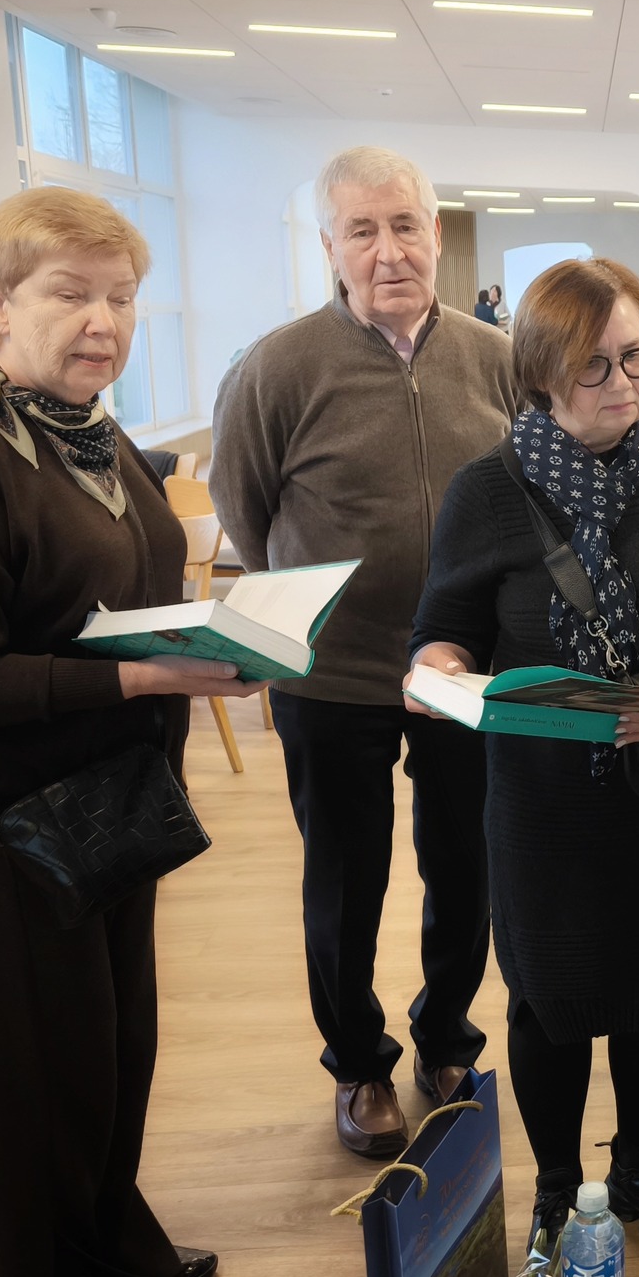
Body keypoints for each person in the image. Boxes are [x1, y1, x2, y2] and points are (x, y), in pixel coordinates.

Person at [0, 187, 266, 1277]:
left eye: (122, 297)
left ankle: (109, 1230)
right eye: (70, 294)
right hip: (11, 817)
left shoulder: (84, 432)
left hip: (108, 797)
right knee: (40, 1066)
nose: (104, 322)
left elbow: (108, 598)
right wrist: (142, 678)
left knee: (111, 1046)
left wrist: (207, 641)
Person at [406, 258, 639, 1262]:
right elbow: (441, 633)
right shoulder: (489, 489)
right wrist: (441, 674)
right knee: (551, 1001)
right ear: (538, 372)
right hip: (542, 803)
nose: (623, 383)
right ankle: (561, 1188)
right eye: (593, 366)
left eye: (638, 356)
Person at [212, 146, 518, 1159]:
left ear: (436, 233)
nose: (388, 251)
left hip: (463, 670)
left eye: (404, 226)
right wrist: (314, 608)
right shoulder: (277, 366)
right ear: (329, 246)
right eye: (362, 230)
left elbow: (525, 493)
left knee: (465, 866)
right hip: (332, 674)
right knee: (346, 879)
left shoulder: (496, 357)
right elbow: (244, 509)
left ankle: (446, 1037)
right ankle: (356, 1061)